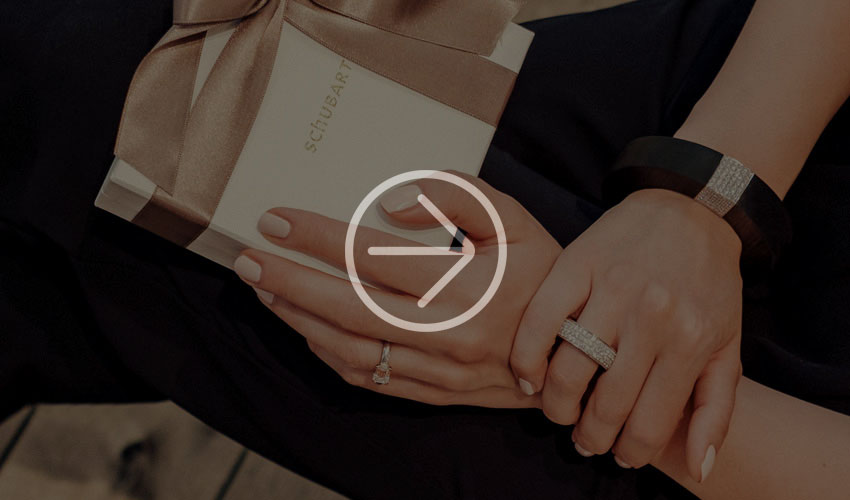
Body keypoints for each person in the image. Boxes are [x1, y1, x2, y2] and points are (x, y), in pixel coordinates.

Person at [1, 0, 848, 499]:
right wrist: (708, 192)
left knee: (119, 107)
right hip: (762, 105)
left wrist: (600, 371)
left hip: (723, 447)